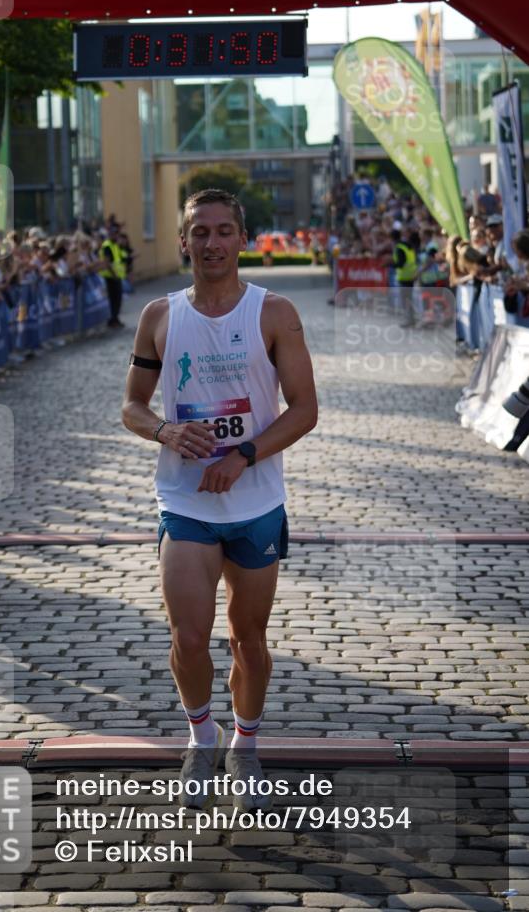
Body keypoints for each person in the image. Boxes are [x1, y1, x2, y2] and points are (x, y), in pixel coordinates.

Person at [122, 188, 318, 811]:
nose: (211, 242)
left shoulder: (274, 313)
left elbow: (306, 409)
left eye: (223, 231)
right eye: (199, 232)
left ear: (242, 238)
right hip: (184, 501)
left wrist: (243, 456)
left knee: (248, 640)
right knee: (187, 636)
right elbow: (131, 405)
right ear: (184, 241)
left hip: (256, 501)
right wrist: (165, 430)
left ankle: (246, 746)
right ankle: (200, 738)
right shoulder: (158, 316)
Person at [100, 225, 126, 328]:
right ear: (110, 235)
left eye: (116, 234)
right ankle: (112, 320)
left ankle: (115, 318)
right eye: (113, 234)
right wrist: (114, 274)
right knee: (113, 299)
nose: (115, 236)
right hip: (110, 277)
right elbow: (107, 262)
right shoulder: (107, 245)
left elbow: (120, 259)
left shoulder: (115, 245)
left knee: (118, 299)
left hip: (116, 276)